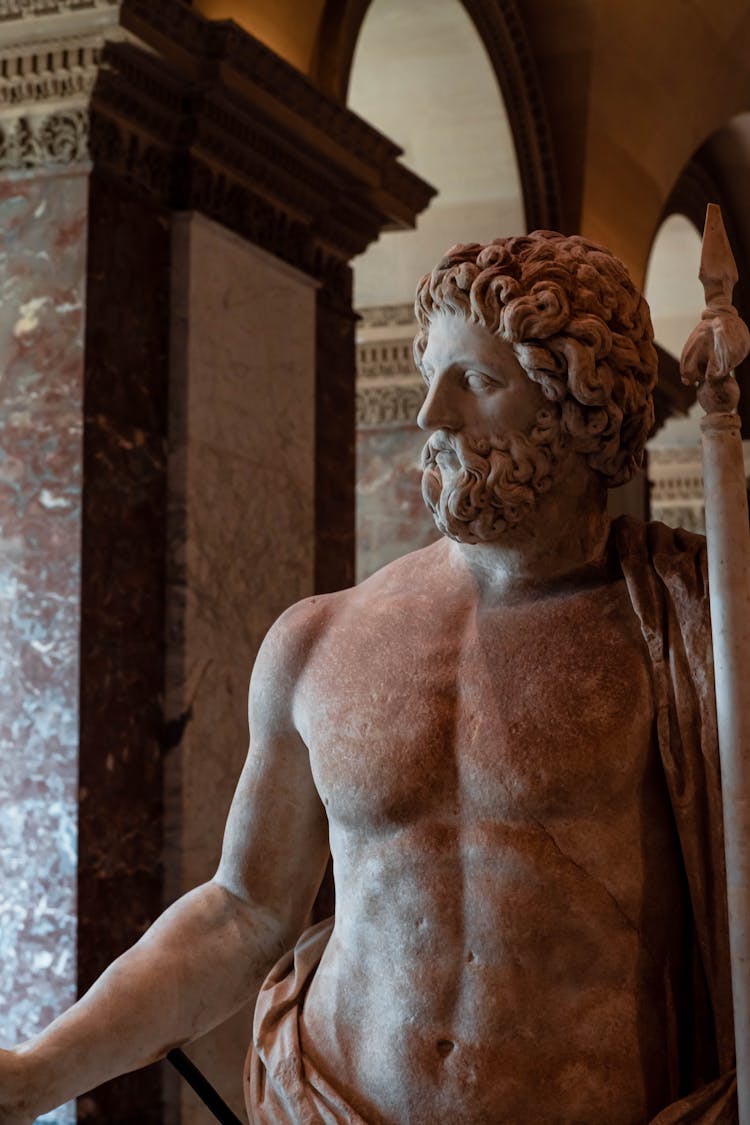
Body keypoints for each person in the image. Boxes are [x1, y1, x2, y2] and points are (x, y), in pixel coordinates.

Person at [0, 232, 737, 1124]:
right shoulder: (321, 639)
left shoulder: (692, 628)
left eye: (476, 381)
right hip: (330, 1103)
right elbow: (241, 912)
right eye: (430, 373)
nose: (431, 412)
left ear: (579, 407)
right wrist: (39, 1072)